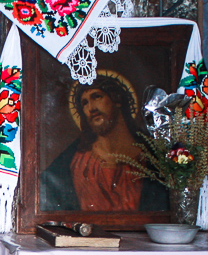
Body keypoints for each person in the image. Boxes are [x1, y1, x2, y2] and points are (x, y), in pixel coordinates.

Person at [41, 73, 168, 213]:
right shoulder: (74, 161)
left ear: (116, 99)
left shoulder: (151, 158)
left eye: (97, 97)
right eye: (85, 103)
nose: (91, 108)